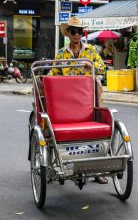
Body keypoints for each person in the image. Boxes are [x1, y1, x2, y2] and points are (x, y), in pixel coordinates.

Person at [50, 17, 107, 185]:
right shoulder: (61, 53)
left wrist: (93, 67)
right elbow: (54, 74)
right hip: (67, 99)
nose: (77, 35)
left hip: (88, 96)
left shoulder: (91, 51)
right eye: (73, 32)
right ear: (68, 33)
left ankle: (98, 170)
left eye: (79, 32)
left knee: (97, 135)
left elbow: (103, 68)